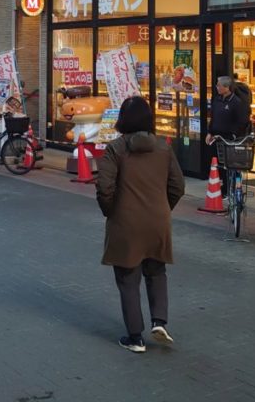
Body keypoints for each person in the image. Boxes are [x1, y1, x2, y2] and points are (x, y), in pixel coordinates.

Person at [96, 96, 185, 353]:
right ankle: (159, 322)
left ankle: (135, 338)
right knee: (156, 271)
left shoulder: (116, 149)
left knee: (128, 278)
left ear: (123, 120)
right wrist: (163, 208)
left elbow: (104, 187)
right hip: (158, 222)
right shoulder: (163, 148)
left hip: (126, 222)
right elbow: (178, 186)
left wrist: (111, 211)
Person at [206, 75, 251, 198]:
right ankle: (223, 187)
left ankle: (232, 188)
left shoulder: (236, 102)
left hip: (230, 139)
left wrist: (234, 134)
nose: (217, 87)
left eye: (219, 85)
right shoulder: (217, 100)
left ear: (226, 87)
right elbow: (213, 118)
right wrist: (210, 132)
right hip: (217, 138)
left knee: (230, 165)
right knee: (219, 164)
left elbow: (242, 121)